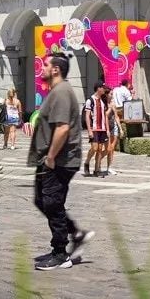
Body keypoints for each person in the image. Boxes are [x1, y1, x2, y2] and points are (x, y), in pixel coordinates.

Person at [28, 54, 93, 271]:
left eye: (46, 65)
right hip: (51, 159)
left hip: (60, 160)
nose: (42, 68)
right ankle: (76, 233)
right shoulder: (55, 92)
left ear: (56, 70)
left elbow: (63, 128)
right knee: (42, 200)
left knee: (52, 203)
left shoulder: (62, 92)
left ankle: (60, 253)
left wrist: (51, 156)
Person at [83, 82, 109, 177]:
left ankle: (97, 169)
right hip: (94, 128)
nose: (104, 90)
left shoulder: (102, 101)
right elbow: (87, 116)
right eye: (103, 88)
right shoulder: (90, 100)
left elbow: (105, 115)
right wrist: (89, 130)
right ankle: (87, 162)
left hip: (102, 128)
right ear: (98, 88)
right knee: (94, 148)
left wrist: (107, 129)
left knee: (99, 149)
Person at [103, 89, 121, 176]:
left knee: (112, 148)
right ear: (106, 95)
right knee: (108, 149)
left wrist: (120, 128)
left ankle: (109, 167)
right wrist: (110, 108)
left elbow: (116, 116)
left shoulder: (113, 104)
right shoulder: (103, 103)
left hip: (114, 127)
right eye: (111, 94)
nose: (112, 95)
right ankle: (98, 161)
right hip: (106, 128)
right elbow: (105, 115)